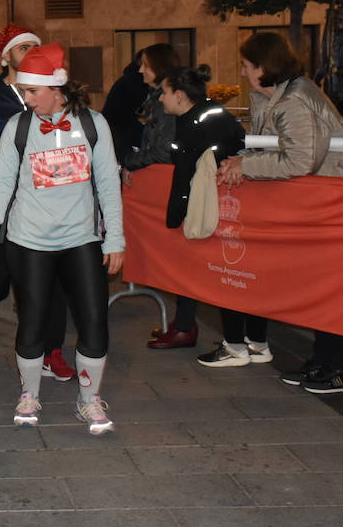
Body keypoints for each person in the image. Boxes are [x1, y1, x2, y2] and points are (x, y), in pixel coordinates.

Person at [0, 43, 124, 435]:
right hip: (29, 241)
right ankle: (29, 395)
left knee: (94, 321)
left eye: (32, 91)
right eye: (24, 91)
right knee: (33, 321)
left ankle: (89, 400)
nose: (26, 98)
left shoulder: (93, 124)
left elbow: (108, 184)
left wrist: (114, 240)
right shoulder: (18, 127)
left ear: (57, 88)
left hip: (81, 239)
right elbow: (0, 185)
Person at [210, 32, 343, 393]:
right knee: (322, 288)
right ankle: (324, 360)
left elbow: (300, 159)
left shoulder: (294, 100)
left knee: (334, 290)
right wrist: (240, 162)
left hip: (338, 204)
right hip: (322, 204)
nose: (243, 72)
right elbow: (272, 148)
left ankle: (339, 368)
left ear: (263, 67)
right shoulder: (278, 97)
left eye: (246, 65)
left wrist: (245, 167)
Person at [0, 24, 72, 380]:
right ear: (6, 56)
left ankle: (52, 351)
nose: (29, 53)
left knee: (53, 278)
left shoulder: (52, 95)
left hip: (48, 201)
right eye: (22, 48)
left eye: (34, 47)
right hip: (3, 203)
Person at [149, 65, 245, 349]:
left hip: (214, 208)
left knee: (216, 272)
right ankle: (184, 325)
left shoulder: (202, 120)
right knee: (191, 267)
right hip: (207, 205)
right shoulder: (200, 115)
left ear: (179, 94)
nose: (160, 98)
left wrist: (178, 213)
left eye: (164, 92)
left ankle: (231, 341)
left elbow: (193, 168)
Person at [120, 43, 181, 175]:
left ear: (160, 67)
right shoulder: (155, 98)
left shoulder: (167, 104)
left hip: (164, 175)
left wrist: (130, 162)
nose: (141, 70)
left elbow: (163, 152)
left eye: (146, 65)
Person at [101, 52, 151, 163]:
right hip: (121, 133)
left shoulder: (131, 80)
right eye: (144, 64)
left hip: (118, 131)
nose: (142, 69)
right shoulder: (134, 82)